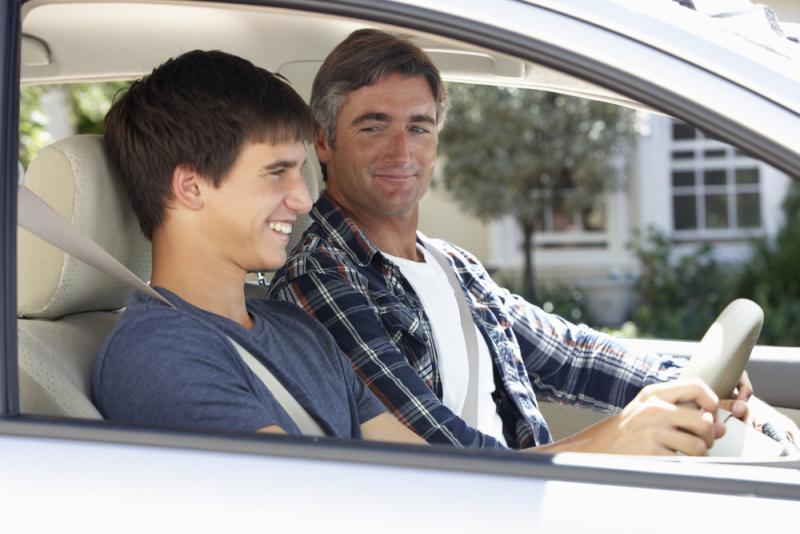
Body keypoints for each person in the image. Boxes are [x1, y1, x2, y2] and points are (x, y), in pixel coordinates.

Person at [268, 29, 769, 455]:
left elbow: (570, 356)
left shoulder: (452, 265)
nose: (402, 151)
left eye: (418, 127)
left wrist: (692, 381)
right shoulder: (320, 278)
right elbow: (443, 459)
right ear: (324, 141)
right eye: (373, 126)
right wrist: (614, 439)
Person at [92, 49, 424, 445]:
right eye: (276, 172)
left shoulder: (297, 328)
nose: (303, 199)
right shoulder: (158, 354)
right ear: (191, 186)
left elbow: (421, 465)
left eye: (299, 171)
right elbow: (303, 498)